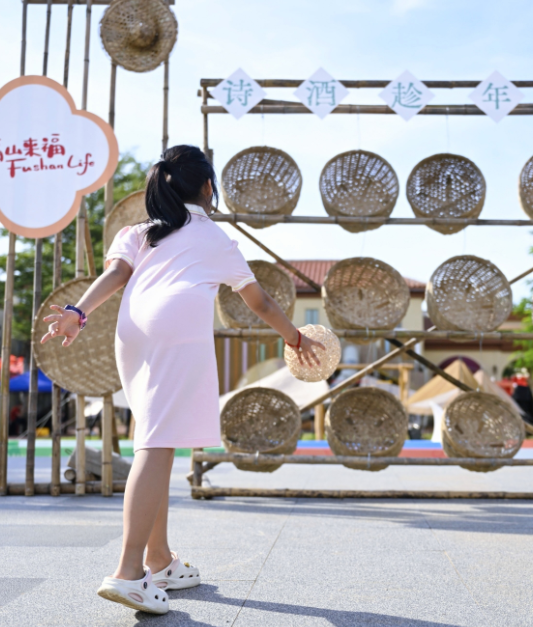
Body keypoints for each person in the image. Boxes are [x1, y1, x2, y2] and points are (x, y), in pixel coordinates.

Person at [40, 145, 322, 615]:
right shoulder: (214, 238)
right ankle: (129, 573)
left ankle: (159, 560)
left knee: (155, 439)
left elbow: (116, 275)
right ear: (208, 187)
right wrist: (295, 338)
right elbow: (260, 303)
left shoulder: (140, 232)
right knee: (156, 444)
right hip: (177, 331)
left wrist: (78, 312)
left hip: (132, 332)